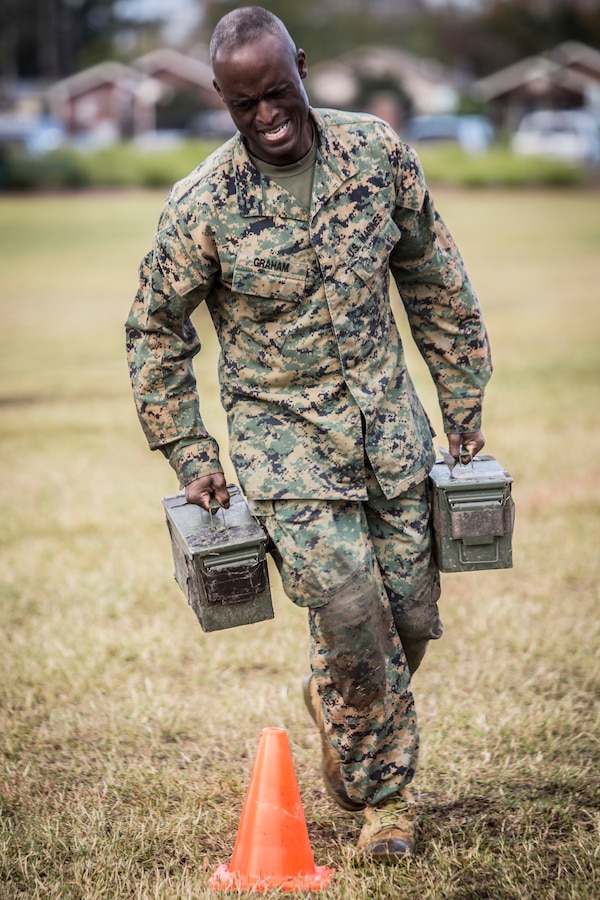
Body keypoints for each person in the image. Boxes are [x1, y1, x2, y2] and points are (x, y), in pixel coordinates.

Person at [125, 6, 492, 860]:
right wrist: (191, 448)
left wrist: (462, 397)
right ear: (220, 95)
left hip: (392, 435)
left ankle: (338, 701)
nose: (267, 116)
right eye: (244, 102)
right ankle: (385, 805)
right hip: (284, 446)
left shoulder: (377, 153)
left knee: (408, 615)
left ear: (300, 64)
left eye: (278, 91)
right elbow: (154, 331)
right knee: (353, 610)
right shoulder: (202, 204)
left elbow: (434, 278)